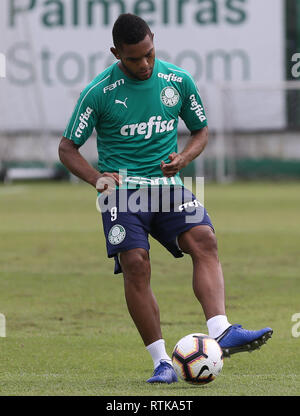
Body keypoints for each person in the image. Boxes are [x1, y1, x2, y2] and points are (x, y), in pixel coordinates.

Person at [59, 13, 273, 384]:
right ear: (116, 53)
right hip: (121, 191)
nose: (144, 64)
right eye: (133, 59)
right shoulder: (98, 93)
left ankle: (221, 329)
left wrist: (185, 157)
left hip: (166, 187)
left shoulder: (177, 80)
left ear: (154, 42)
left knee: (204, 239)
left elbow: (200, 130)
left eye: (149, 54)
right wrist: (96, 179)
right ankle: (161, 362)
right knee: (136, 263)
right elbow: (67, 148)